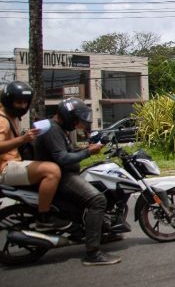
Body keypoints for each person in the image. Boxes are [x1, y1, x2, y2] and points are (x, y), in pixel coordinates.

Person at [35, 97, 121, 266]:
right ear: (68, 116)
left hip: (64, 174)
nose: (77, 124)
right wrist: (89, 152)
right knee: (98, 200)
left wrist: (86, 148)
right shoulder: (53, 129)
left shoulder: (57, 128)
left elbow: (67, 151)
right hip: (62, 177)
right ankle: (93, 253)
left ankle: (102, 232)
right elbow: (62, 158)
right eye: (76, 121)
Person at [0, 81, 68, 232]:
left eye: (25, 102)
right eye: (18, 102)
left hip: (12, 164)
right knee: (52, 170)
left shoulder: (11, 117)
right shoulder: (2, 120)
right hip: (4, 168)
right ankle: (44, 218)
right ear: (8, 101)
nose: (23, 106)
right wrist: (23, 139)